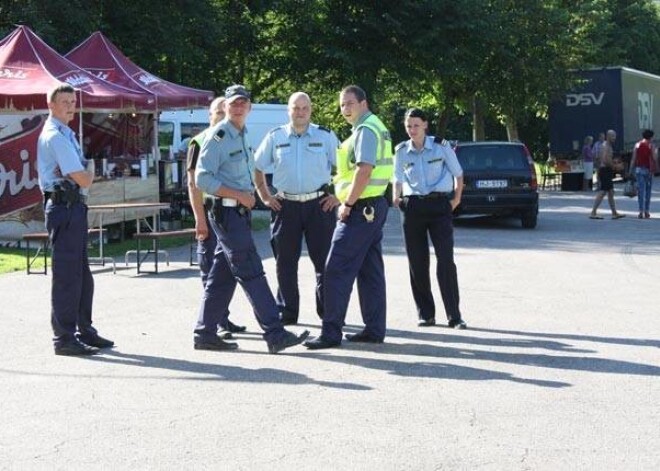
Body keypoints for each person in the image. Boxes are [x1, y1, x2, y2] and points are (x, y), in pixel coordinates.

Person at [194, 84, 309, 353]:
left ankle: (205, 333)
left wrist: (247, 197)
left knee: (221, 277)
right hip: (226, 212)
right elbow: (202, 178)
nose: (237, 107)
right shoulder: (218, 136)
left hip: (237, 213)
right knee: (252, 271)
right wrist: (239, 194)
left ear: (249, 107)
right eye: (233, 103)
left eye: (242, 103)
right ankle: (274, 332)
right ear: (225, 106)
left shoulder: (241, 135)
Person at [304, 85, 393, 350]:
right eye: (342, 105)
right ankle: (374, 329)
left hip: (361, 208)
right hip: (373, 206)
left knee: (335, 269)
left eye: (350, 103)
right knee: (370, 270)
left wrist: (347, 204)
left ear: (363, 103)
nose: (345, 109)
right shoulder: (373, 127)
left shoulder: (366, 130)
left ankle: (330, 333)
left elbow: (364, 170)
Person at [37, 83, 114, 356]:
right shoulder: (56, 136)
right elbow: (82, 177)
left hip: (73, 208)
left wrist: (85, 172)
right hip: (64, 207)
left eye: (72, 101)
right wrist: (89, 170)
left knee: (82, 275)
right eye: (65, 101)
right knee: (68, 277)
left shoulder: (66, 133)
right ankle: (65, 339)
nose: (71, 105)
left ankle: (84, 331)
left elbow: (81, 176)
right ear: (51, 105)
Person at [254, 92, 340, 325]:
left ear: (311, 110)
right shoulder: (275, 136)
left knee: (324, 263)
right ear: (288, 110)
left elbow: (346, 166)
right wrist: (264, 196)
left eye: (304, 108)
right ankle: (287, 312)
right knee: (285, 263)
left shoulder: (325, 136)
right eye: (296, 108)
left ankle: (328, 313)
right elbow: (257, 166)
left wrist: (338, 196)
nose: (300, 112)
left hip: (319, 205)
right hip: (285, 205)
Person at [392, 108, 467, 329]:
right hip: (413, 207)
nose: (412, 130)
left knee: (445, 261)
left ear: (425, 125)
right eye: (408, 126)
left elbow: (458, 174)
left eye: (416, 125)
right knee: (417, 262)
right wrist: (396, 198)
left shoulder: (441, 146)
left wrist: (455, 200)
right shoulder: (401, 151)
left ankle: (454, 315)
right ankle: (426, 314)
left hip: (439, 206)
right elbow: (396, 178)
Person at [186, 96, 245, 336]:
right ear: (210, 115)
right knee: (210, 269)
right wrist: (199, 219)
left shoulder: (234, 138)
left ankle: (223, 318)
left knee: (227, 270)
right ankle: (214, 323)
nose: (222, 116)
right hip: (210, 212)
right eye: (217, 112)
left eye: (225, 111)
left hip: (229, 214)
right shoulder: (199, 142)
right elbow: (193, 184)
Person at [590, 129, 625, 220]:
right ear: (608, 136)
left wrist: (613, 163)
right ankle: (593, 212)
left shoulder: (606, 145)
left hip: (605, 170)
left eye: (615, 136)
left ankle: (614, 213)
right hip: (605, 170)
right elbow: (605, 160)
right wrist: (615, 166)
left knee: (610, 192)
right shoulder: (606, 146)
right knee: (603, 191)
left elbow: (604, 158)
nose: (614, 138)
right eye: (613, 136)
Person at [629, 129, 656, 218]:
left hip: (639, 169)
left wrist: (630, 170)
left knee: (641, 191)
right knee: (648, 191)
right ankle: (646, 211)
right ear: (651, 137)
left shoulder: (637, 144)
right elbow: (654, 158)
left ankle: (640, 211)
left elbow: (633, 158)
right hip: (648, 170)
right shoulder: (651, 145)